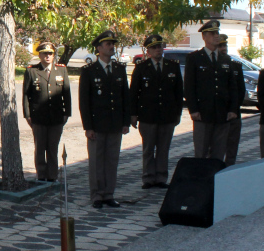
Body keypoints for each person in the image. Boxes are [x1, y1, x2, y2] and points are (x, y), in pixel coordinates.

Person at [79, 30, 130, 209]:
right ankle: (97, 195)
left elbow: (125, 97)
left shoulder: (119, 69)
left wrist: (125, 122)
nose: (111, 47)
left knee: (112, 160)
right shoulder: (89, 71)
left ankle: (109, 194)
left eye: (112, 44)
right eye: (108, 44)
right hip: (97, 124)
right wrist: (88, 127)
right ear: (98, 48)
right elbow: (84, 102)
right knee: (96, 161)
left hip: (115, 123)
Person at [129, 34, 183, 189]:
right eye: (154, 48)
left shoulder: (172, 66)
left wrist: (178, 113)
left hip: (167, 115)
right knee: (148, 149)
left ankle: (161, 177)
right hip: (148, 115)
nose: (158, 50)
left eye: (160, 46)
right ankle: (148, 177)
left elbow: (178, 92)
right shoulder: (141, 68)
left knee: (163, 148)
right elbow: (134, 93)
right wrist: (133, 114)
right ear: (148, 51)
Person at [184, 20, 238, 163]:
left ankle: (215, 181)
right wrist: (193, 109)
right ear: (204, 37)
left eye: (217, 33)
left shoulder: (226, 59)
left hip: (222, 113)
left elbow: (232, 86)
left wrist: (232, 109)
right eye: (212, 33)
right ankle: (201, 182)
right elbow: (189, 86)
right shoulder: (195, 58)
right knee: (201, 152)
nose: (216, 36)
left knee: (219, 152)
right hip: (203, 112)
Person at [22, 42, 71, 182]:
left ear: (54, 55)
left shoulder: (61, 70)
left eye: (50, 53)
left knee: (53, 147)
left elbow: (66, 94)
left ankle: (52, 176)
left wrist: (67, 113)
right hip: (38, 117)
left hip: (56, 117)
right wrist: (28, 115)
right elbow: (26, 95)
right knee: (40, 147)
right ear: (40, 55)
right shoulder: (32, 71)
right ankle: (41, 175)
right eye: (45, 53)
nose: (47, 56)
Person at [219, 35, 247, 166]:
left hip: (234, 112)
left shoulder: (235, 66)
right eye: (220, 46)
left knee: (232, 144)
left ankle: (230, 168)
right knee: (216, 146)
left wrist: (235, 109)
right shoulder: (214, 65)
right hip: (218, 112)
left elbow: (240, 90)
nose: (223, 48)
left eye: (225, 45)